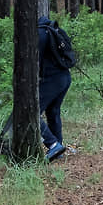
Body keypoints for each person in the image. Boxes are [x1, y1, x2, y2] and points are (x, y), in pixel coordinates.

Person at [38, 16, 72, 161]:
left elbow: (34, 60)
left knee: (32, 112)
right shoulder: (53, 29)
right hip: (65, 77)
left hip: (52, 79)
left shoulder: (39, 34)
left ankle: (53, 145)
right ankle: (59, 149)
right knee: (53, 111)